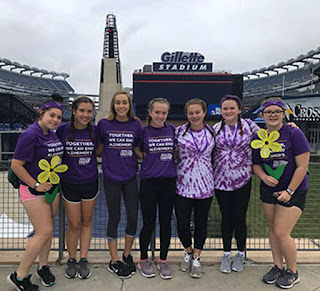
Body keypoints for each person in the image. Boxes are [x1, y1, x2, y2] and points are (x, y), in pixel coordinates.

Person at [7, 94, 64, 291]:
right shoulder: (30, 135)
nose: (55, 119)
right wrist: (36, 184)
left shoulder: (51, 133)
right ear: (42, 113)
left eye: (58, 117)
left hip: (51, 189)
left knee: (47, 232)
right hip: (33, 190)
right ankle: (19, 276)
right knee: (44, 231)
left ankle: (43, 266)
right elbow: (16, 165)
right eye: (52, 115)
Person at [252, 97, 310, 289]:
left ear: (284, 113)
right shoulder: (258, 137)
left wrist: (290, 190)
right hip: (269, 189)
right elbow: (256, 165)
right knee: (272, 229)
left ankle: (293, 272)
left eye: (277, 111)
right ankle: (277, 266)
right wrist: (263, 177)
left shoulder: (294, 133)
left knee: (281, 232)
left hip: (293, 190)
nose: (273, 115)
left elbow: (302, 166)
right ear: (262, 115)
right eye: (269, 112)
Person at [213, 95, 259, 273]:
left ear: (239, 110)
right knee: (226, 218)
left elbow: (269, 135)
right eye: (225, 108)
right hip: (221, 181)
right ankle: (226, 254)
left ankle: (240, 253)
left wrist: (289, 127)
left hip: (243, 180)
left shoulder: (249, 126)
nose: (229, 111)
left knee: (239, 218)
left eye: (232, 108)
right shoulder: (216, 129)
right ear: (221, 111)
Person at [97, 91, 141, 279]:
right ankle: (114, 259)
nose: (121, 106)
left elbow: (138, 148)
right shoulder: (104, 124)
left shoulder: (136, 124)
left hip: (130, 176)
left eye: (124, 103)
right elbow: (99, 148)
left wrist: (155, 158)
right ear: (113, 105)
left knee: (132, 217)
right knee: (114, 217)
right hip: (111, 178)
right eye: (118, 103)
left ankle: (127, 253)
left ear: (129, 105)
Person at [56, 96, 99, 280]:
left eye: (89, 111)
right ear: (74, 111)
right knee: (73, 224)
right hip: (70, 182)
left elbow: (99, 150)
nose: (85, 115)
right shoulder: (63, 130)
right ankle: (71, 259)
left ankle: (83, 258)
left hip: (90, 181)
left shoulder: (95, 131)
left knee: (87, 221)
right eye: (82, 111)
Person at [175, 98, 215, 279]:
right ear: (187, 115)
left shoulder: (213, 132)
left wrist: (289, 125)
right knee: (182, 223)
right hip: (183, 184)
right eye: (191, 113)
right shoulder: (179, 132)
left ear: (204, 113)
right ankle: (188, 251)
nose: (194, 116)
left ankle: (197, 256)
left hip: (205, 185)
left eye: (197, 112)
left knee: (201, 223)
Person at [138, 98, 176, 280]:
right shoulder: (144, 131)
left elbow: (176, 151)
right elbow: (137, 149)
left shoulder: (172, 130)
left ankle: (163, 260)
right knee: (148, 222)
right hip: (149, 182)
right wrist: (148, 159)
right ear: (150, 113)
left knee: (166, 223)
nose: (160, 116)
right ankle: (143, 258)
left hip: (168, 182)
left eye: (164, 113)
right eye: (157, 112)